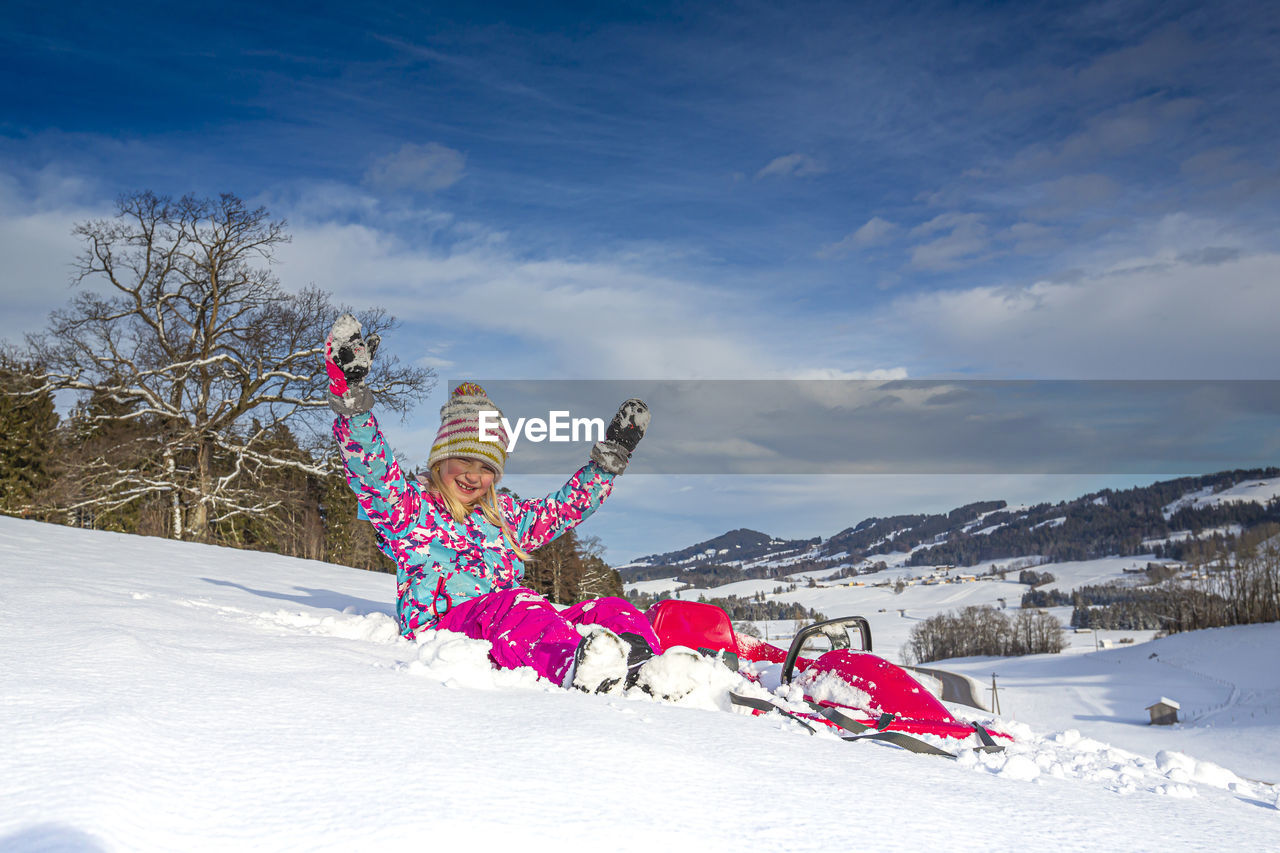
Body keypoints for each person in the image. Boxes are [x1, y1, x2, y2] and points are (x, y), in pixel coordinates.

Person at [325, 313, 661, 694]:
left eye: (485, 467)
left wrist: (606, 464)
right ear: (439, 460)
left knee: (611, 609)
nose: (473, 475)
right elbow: (372, 472)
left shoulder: (505, 517)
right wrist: (352, 404)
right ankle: (578, 669)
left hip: (513, 620)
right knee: (519, 606)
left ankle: (647, 668)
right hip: (448, 629)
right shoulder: (410, 509)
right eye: (463, 461)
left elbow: (563, 509)